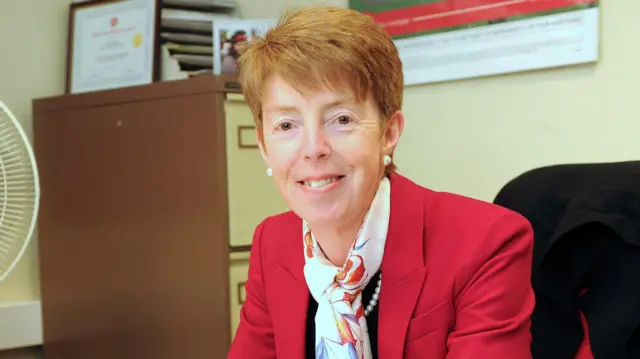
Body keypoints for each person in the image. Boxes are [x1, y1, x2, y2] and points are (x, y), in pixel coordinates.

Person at [227, 6, 535, 359]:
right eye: (286, 126)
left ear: (389, 133)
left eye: (341, 119)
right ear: (264, 146)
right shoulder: (273, 244)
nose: (313, 149)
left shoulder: (486, 243)